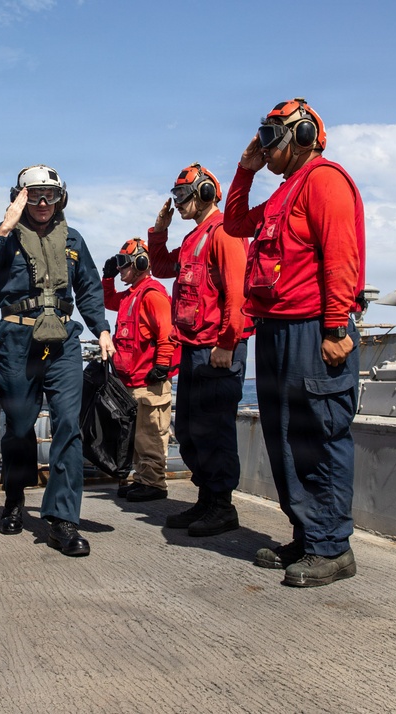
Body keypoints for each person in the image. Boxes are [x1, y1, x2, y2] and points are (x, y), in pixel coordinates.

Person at [223, 97, 365, 588]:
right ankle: (308, 535)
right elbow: (236, 224)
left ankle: (332, 549)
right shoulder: (286, 192)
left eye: (270, 139)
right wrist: (246, 171)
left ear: (301, 138)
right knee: (286, 439)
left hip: (312, 330)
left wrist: (334, 329)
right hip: (277, 329)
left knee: (320, 437)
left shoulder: (325, 181)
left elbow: (340, 258)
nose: (264, 148)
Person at [0, 164, 115, 557]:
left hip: (63, 342)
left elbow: (88, 288)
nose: (43, 202)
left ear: (60, 196)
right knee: (18, 427)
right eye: (34, 195)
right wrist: (4, 226)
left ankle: (63, 521)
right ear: (20, 197)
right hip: (17, 342)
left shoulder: (74, 240)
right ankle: (14, 498)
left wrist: (101, 328)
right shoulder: (4, 235)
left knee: (68, 423)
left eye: (50, 194)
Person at [147, 164, 249, 537]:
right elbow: (159, 265)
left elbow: (237, 294)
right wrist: (159, 231)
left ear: (206, 193)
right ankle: (207, 499)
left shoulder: (224, 233)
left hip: (217, 350)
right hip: (194, 349)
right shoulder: (194, 238)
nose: (179, 203)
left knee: (215, 430)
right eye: (175, 197)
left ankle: (222, 506)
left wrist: (227, 343)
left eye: (183, 196)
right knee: (190, 429)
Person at [101, 238, 179, 502]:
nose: (121, 269)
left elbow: (167, 333)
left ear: (141, 263)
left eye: (124, 265)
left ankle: (154, 484)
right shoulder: (131, 296)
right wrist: (107, 278)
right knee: (137, 436)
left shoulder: (152, 295)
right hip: (131, 382)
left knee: (151, 437)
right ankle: (142, 479)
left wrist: (162, 365)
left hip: (150, 383)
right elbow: (108, 300)